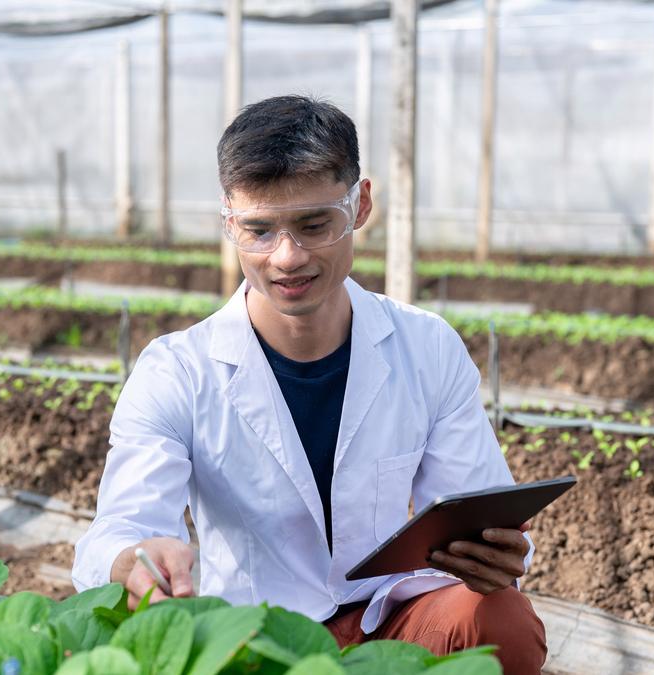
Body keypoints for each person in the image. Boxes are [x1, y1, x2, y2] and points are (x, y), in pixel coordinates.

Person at [71, 95, 546, 673]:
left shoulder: (426, 347)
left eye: (314, 224)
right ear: (229, 222)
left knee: (502, 621)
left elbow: (481, 508)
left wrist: (496, 557)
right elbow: (119, 529)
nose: (287, 257)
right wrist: (131, 559)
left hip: (389, 622)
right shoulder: (178, 372)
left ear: (361, 204)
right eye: (259, 230)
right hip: (254, 636)